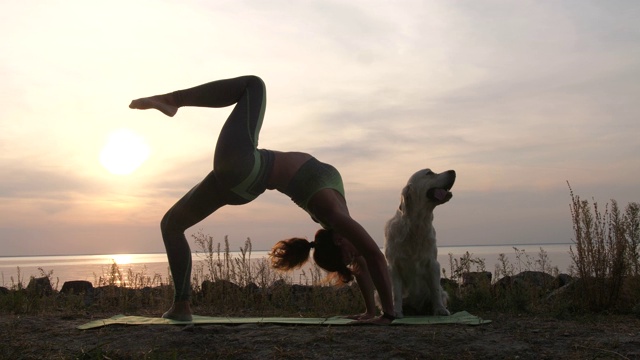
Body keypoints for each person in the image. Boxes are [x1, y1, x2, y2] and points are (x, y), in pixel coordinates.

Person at [129, 75, 395, 324]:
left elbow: (373, 256)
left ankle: (172, 100)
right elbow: (364, 259)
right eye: (350, 256)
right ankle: (181, 306)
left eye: (348, 253)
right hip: (243, 187)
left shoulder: (332, 214)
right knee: (171, 225)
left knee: (254, 85)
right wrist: (372, 310)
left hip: (246, 167)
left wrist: (388, 314)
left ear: (337, 239)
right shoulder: (338, 213)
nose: (355, 252)